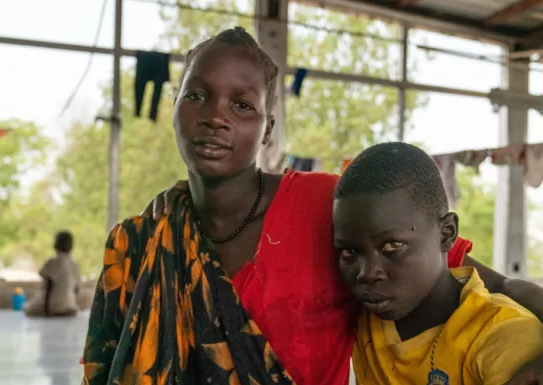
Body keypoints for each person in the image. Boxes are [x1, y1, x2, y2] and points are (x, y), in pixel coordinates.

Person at [84, 27, 543, 385]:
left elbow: (493, 284)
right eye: (197, 96)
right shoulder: (147, 239)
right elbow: (113, 364)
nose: (215, 116)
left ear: (267, 129)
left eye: (242, 104)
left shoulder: (328, 204)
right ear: (176, 106)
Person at [333, 142, 543, 384]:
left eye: (392, 246)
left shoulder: (502, 335)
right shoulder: (367, 321)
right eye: (350, 251)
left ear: (446, 233)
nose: (367, 273)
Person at [24, 231, 81, 317]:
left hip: (52, 305)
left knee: (27, 308)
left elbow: (48, 286)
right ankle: (66, 309)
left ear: (55, 245)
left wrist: (46, 309)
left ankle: (56, 310)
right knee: (68, 305)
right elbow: (76, 289)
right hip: (69, 305)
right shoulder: (75, 264)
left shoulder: (52, 262)